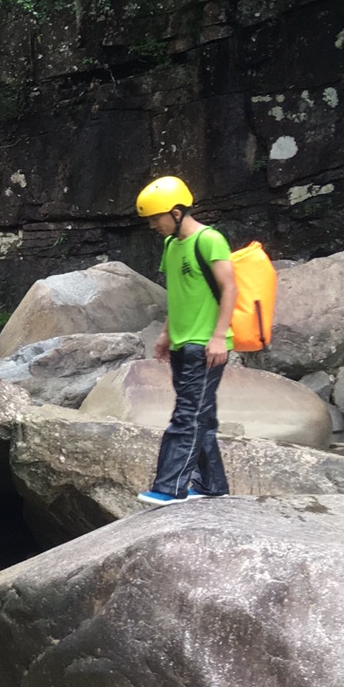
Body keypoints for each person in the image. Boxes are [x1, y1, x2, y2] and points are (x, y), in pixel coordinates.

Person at [136, 175, 236, 504]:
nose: (152, 225)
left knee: (187, 416)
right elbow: (178, 295)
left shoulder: (209, 240)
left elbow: (230, 289)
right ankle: (211, 484)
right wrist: (166, 334)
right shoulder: (170, 245)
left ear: (177, 212)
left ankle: (171, 488)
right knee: (200, 416)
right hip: (182, 342)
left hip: (206, 345)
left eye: (156, 217)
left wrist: (219, 336)